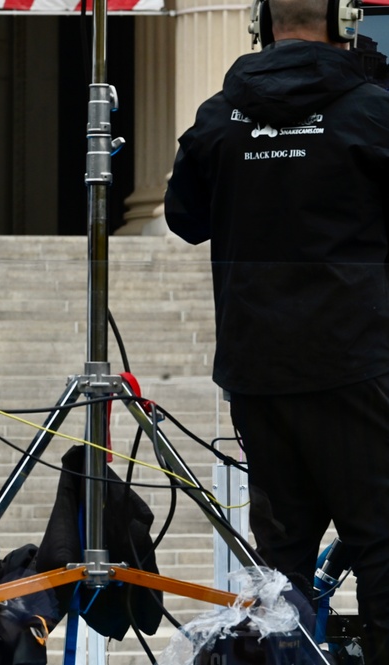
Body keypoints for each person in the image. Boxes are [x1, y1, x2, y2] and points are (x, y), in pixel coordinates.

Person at [164, 0, 389, 660]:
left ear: (260, 24)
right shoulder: (371, 109)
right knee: (379, 544)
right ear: (342, 23)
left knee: (279, 565)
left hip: (257, 372)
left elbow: (183, 216)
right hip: (354, 365)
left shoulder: (217, 115)